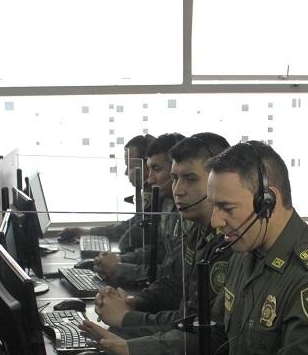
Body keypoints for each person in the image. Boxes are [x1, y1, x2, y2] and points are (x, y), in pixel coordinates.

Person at [204, 141, 308, 354]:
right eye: (213, 206)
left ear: (267, 202)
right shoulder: (245, 254)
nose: (215, 221)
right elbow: (217, 337)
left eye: (227, 207)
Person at [84, 133, 233, 355]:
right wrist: (133, 303)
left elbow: (205, 331)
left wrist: (128, 318)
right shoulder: (198, 229)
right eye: (175, 178)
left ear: (217, 181)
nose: (178, 190)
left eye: (190, 179)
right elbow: (173, 284)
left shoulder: (231, 242)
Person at [94, 133, 186, 287]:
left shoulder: (186, 212)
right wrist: (121, 260)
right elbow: (161, 250)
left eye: (156, 169)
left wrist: (119, 268)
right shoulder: (168, 204)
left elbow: (173, 274)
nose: (149, 179)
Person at [59, 134, 156, 253]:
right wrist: (88, 232)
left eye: (130, 166)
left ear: (147, 167)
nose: (126, 172)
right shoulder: (149, 192)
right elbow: (132, 224)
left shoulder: (155, 195)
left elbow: (130, 236)